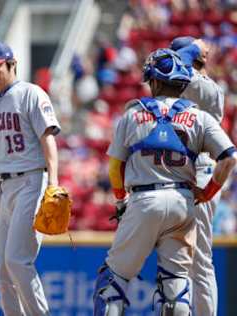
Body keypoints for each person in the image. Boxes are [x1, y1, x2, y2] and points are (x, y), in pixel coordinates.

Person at [93, 48, 237, 315]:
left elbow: (115, 167)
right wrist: (208, 192)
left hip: (144, 199)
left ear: (155, 81)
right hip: (183, 203)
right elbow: (229, 158)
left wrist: (120, 200)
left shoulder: (132, 113)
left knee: (112, 283)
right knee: (175, 289)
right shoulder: (199, 116)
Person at [0, 40, 61, 315]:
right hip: (4, 186)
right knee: (5, 273)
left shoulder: (31, 94)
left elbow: (48, 139)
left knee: (17, 261)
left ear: (12, 64)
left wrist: (53, 183)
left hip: (31, 182)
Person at [170, 36, 223, 316]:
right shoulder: (178, 82)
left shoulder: (204, 88)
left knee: (199, 259)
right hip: (177, 172)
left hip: (201, 171)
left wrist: (191, 50)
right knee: (178, 259)